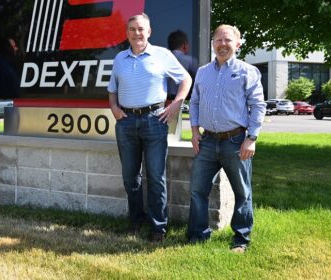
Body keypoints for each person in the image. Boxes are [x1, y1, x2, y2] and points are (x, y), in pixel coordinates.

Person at [108, 13, 192, 242]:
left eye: (141, 29)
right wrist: (114, 108)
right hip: (125, 123)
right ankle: (136, 221)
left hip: (155, 121)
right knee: (130, 177)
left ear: (149, 31)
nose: (137, 33)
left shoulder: (162, 55)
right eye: (132, 29)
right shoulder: (119, 59)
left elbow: (186, 80)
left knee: (155, 177)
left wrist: (177, 104)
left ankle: (158, 227)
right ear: (127, 33)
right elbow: (112, 89)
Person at [187, 24, 266, 252]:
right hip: (208, 141)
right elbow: (194, 102)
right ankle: (198, 236)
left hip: (236, 140)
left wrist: (251, 138)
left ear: (238, 44)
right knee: (197, 190)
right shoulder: (203, 72)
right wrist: (194, 132)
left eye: (228, 40)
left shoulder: (247, 72)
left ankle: (241, 239)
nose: (222, 44)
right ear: (213, 43)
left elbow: (258, 106)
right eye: (218, 40)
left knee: (242, 192)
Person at [167, 29, 198, 99]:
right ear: (184, 45)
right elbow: (199, 81)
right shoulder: (190, 60)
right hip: (183, 100)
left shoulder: (162, 60)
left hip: (164, 100)